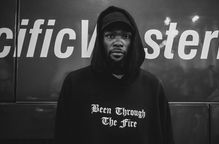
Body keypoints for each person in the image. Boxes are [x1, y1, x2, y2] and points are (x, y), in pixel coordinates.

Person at [55, 6, 174, 144]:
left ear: (133, 42)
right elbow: (62, 135)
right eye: (110, 36)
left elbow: (166, 137)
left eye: (125, 36)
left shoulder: (152, 86)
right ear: (100, 41)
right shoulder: (75, 83)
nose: (118, 43)